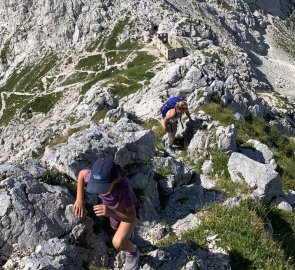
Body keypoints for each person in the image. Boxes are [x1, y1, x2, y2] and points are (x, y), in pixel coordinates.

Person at [73, 157, 140, 270]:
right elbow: (81, 174)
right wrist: (80, 199)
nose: (99, 190)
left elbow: (132, 216)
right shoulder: (96, 175)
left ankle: (133, 251)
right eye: (96, 185)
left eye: (103, 187)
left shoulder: (123, 188)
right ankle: (127, 235)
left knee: (117, 243)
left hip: (127, 213)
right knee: (114, 228)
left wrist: (110, 212)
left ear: (115, 180)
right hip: (111, 211)